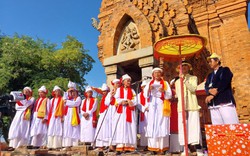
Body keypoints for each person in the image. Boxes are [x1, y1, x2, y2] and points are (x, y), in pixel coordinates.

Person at [143, 67, 172, 154]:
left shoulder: (165, 83)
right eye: (155, 73)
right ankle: (153, 148)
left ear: (161, 74)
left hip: (162, 105)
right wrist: (149, 89)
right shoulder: (149, 83)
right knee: (152, 125)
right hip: (152, 105)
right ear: (153, 75)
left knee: (162, 124)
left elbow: (169, 95)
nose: (157, 74)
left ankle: (162, 148)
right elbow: (145, 95)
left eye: (159, 73)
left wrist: (164, 91)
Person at [175, 61, 201, 155]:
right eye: (182, 66)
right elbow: (177, 95)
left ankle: (197, 148)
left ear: (189, 68)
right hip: (181, 106)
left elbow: (193, 89)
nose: (184, 67)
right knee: (182, 127)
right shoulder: (177, 81)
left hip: (192, 105)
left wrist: (185, 81)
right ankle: (185, 148)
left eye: (186, 66)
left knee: (193, 126)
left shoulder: (193, 78)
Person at [205, 53, 239, 125]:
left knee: (230, 124)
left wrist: (215, 92)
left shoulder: (225, 70)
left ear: (217, 61)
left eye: (211, 61)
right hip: (213, 104)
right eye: (208, 62)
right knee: (218, 127)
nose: (209, 63)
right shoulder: (210, 75)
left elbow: (224, 82)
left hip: (224, 102)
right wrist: (208, 91)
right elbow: (206, 85)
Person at [113, 74, 137, 153]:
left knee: (130, 127)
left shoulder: (132, 90)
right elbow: (116, 98)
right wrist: (122, 101)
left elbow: (135, 100)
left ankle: (129, 146)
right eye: (127, 81)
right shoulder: (119, 90)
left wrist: (129, 101)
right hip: (122, 111)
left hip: (129, 110)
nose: (129, 82)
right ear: (123, 82)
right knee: (121, 127)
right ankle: (120, 146)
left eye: (130, 81)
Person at [62, 81, 81, 150]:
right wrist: (67, 92)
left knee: (74, 129)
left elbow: (75, 104)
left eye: (73, 91)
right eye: (70, 92)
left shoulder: (78, 98)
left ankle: (74, 144)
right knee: (67, 129)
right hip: (67, 116)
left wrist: (67, 102)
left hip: (74, 116)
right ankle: (67, 145)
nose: (72, 93)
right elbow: (64, 100)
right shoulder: (68, 99)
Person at [105, 78, 121, 151]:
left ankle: (118, 144)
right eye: (116, 83)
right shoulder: (110, 93)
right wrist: (111, 96)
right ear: (113, 85)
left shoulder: (121, 91)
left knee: (118, 126)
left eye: (118, 83)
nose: (117, 85)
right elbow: (106, 103)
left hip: (118, 109)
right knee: (111, 127)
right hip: (111, 110)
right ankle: (111, 145)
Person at [94, 83, 110, 150]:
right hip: (102, 114)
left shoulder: (109, 96)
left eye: (105, 91)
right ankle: (100, 144)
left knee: (106, 129)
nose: (104, 92)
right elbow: (98, 90)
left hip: (107, 114)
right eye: (103, 91)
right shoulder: (103, 97)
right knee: (100, 129)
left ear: (107, 91)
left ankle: (107, 144)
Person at [137, 80, 148, 149]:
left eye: (146, 86)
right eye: (143, 87)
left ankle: (150, 145)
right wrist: (144, 108)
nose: (144, 88)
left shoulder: (151, 94)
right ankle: (144, 144)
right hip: (143, 113)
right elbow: (138, 104)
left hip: (150, 112)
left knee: (149, 128)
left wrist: (149, 107)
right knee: (143, 129)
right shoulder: (139, 95)